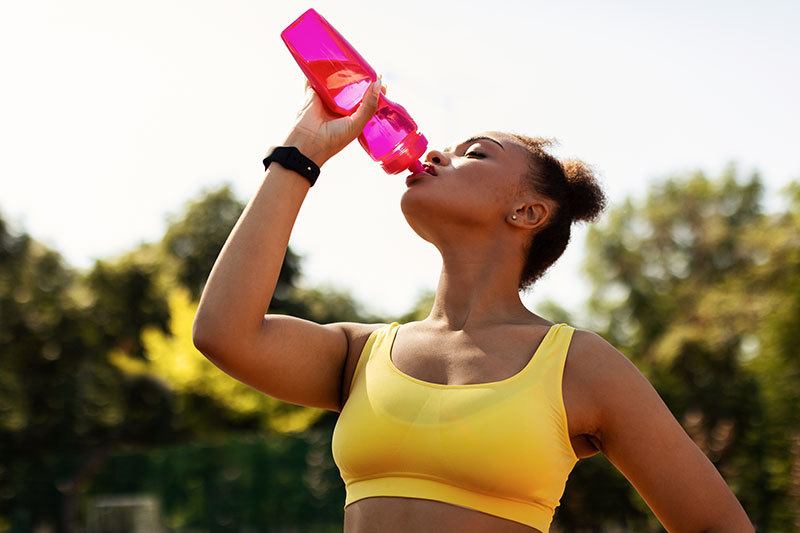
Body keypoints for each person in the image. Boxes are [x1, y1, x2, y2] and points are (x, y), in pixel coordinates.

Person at [192, 79, 754, 532]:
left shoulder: (578, 365)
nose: (436, 153)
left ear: (527, 214)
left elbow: (716, 525)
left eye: (475, 154)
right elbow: (223, 333)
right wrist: (300, 153)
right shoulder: (363, 354)